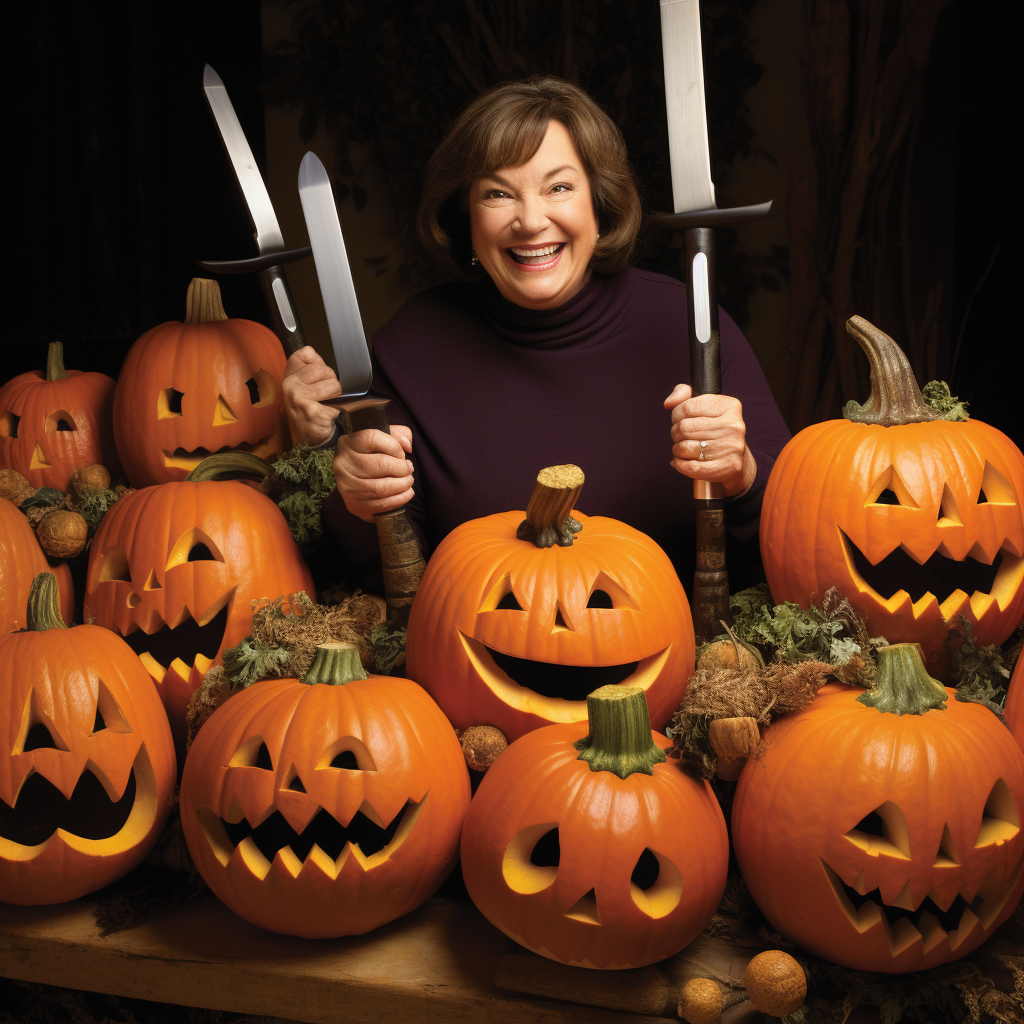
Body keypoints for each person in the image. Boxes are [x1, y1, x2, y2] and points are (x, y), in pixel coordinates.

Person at [283, 75, 790, 597]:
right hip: (477, 660)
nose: (530, 221)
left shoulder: (689, 326)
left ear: (601, 205)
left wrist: (743, 475)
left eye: (560, 187)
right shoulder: (413, 345)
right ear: (467, 219)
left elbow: (797, 538)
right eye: (498, 193)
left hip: (687, 663)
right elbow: (386, 584)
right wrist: (353, 491)